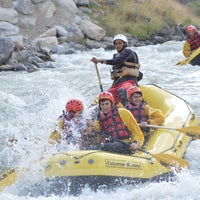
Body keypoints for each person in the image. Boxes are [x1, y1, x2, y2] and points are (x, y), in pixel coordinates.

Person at [91, 34, 143, 105]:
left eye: (120, 43)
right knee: (104, 97)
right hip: (117, 83)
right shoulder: (115, 56)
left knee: (121, 91)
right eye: (116, 44)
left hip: (129, 82)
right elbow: (116, 62)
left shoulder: (129, 52)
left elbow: (118, 61)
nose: (118, 45)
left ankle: (127, 108)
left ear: (125, 44)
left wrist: (100, 61)